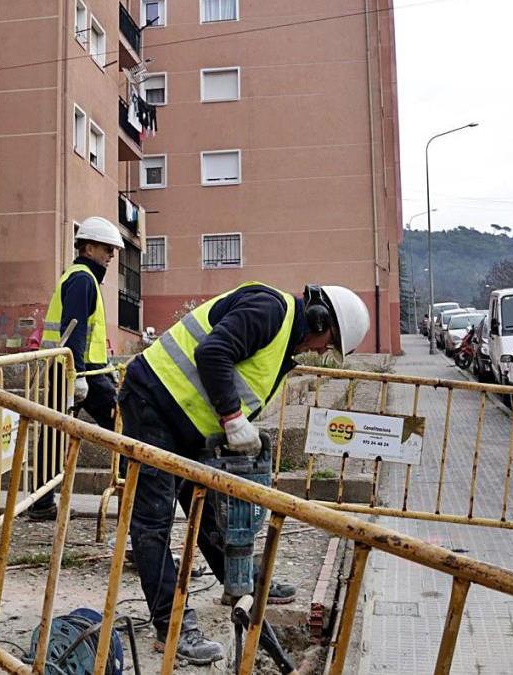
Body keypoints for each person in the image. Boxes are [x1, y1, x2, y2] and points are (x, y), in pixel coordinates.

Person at [118, 282, 370, 664]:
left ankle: (240, 584)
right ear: (319, 318)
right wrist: (234, 420)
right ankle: (171, 628)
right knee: (152, 523)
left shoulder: (285, 345)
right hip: (153, 401)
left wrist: (231, 423)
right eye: (328, 341)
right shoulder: (269, 311)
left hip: (189, 424)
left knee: (210, 516)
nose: (322, 350)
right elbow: (213, 353)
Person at [28, 217, 125, 520]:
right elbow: (77, 330)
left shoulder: (80, 277)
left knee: (54, 433)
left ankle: (42, 503)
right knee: (124, 427)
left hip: (70, 370)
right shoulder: (83, 279)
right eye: (107, 249)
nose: (111, 255)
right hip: (82, 373)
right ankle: (136, 493)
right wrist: (79, 375)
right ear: (89, 247)